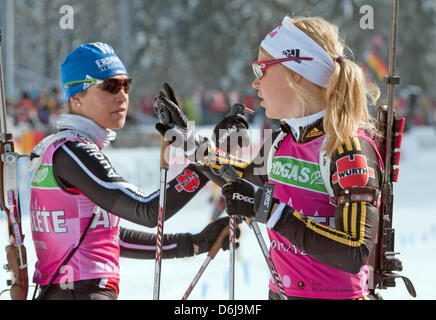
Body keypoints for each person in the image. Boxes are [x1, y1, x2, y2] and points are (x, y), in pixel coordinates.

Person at [28, 42, 242, 300]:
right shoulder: (74, 153)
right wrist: (205, 157)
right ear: (77, 98)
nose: (122, 96)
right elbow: (148, 210)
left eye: (125, 85)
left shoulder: (67, 150)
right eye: (109, 86)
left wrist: (193, 243)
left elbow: (110, 238)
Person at [219, 16, 384, 300]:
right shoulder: (283, 139)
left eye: (261, 69)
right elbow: (243, 184)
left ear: (296, 72)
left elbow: (355, 250)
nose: (255, 83)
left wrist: (271, 212)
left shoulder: (348, 148)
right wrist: (191, 144)